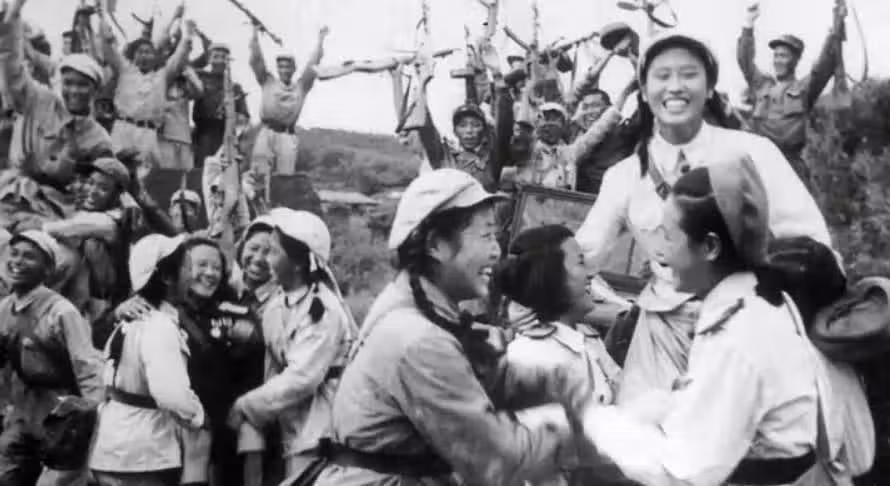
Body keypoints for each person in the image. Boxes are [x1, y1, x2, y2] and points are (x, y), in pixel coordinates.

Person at [575, 31, 836, 410]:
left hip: (746, 336)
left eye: (689, 74)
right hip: (661, 341)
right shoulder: (624, 176)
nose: (675, 87)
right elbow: (584, 254)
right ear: (644, 91)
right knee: (647, 435)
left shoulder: (754, 153)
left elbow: (811, 241)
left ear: (710, 87)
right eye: (662, 76)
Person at [314, 169, 593, 486]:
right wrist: (584, 431)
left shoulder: (421, 307)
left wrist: (557, 384)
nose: (497, 251)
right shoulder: (418, 339)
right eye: (486, 236)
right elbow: (497, 461)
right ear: (436, 244)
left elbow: (484, 374)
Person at [577, 153, 835, 485]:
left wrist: (593, 421)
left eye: (670, 237)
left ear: (710, 246)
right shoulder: (750, 301)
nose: (661, 254)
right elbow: (698, 404)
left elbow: (681, 472)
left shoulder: (738, 335)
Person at [227, 208, 357, 480]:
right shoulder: (278, 305)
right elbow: (272, 366)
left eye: (273, 252)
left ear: (297, 263)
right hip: (292, 427)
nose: (266, 259)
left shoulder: (322, 311)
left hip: (322, 429)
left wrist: (245, 406)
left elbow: (302, 378)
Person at [495, 224, 626, 485]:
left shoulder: (583, 340)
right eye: (580, 263)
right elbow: (546, 464)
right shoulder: (531, 356)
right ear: (553, 278)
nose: (591, 274)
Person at [90, 233, 206, 486]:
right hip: (143, 452)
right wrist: (198, 416)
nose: (192, 275)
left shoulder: (129, 321)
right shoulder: (158, 325)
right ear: (167, 277)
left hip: (113, 444)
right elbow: (171, 394)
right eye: (187, 267)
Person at [0, 229, 104, 486]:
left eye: (28, 256)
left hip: (62, 417)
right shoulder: (4, 308)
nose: (17, 261)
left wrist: (97, 424)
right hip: (23, 413)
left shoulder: (61, 312)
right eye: (14, 254)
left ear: (47, 269)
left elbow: (89, 369)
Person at [0, 0, 113, 230]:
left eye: (82, 84)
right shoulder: (39, 99)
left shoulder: (99, 138)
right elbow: (12, 67)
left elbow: (98, 186)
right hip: (12, 195)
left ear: (95, 90)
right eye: (68, 83)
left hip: (55, 210)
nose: (74, 91)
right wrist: (13, 20)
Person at [737, 1, 845, 183]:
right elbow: (744, 60)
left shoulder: (804, 88)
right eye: (776, 55)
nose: (778, 60)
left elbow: (826, 62)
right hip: (759, 164)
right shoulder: (762, 85)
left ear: (795, 60)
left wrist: (838, 18)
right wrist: (748, 23)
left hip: (790, 167)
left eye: (784, 56)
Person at [99, 11, 195, 171]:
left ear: (155, 57)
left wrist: (188, 36)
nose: (144, 56)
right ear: (134, 56)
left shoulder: (162, 77)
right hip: (123, 129)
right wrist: (102, 18)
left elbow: (178, 59)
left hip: (148, 134)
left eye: (148, 52)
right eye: (140, 52)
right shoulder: (124, 70)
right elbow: (109, 49)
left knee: (144, 175)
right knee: (116, 171)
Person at [249, 24, 328, 177]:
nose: (284, 70)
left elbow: (312, 65)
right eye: (281, 67)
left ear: (293, 69)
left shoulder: (301, 87)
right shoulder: (268, 82)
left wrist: (320, 40)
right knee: (258, 175)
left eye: (287, 67)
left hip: (287, 135)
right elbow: (257, 61)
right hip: (266, 132)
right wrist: (254, 34)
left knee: (285, 177)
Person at [192, 43, 249, 168]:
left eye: (224, 57)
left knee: (226, 172)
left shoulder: (235, 87)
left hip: (225, 138)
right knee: (201, 173)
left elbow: (243, 118)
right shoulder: (200, 77)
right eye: (216, 56)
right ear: (209, 59)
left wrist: (233, 118)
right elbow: (185, 68)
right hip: (203, 137)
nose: (220, 60)